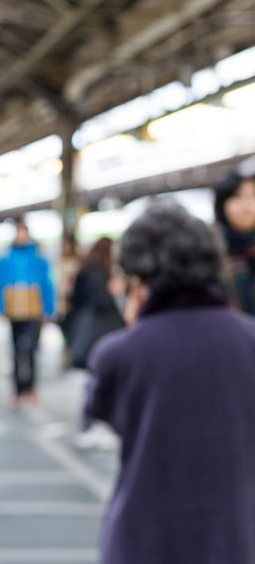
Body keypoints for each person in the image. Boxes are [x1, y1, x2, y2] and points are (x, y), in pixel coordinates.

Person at [85, 204, 255, 564]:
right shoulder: (249, 340)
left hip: (145, 539)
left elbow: (102, 410)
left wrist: (136, 327)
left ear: (138, 275)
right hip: (237, 537)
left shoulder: (118, 353)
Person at [0, 218, 55, 406]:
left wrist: (49, 309)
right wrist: (0, 308)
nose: (22, 236)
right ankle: (17, 389)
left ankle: (30, 387)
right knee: (17, 350)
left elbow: (47, 284)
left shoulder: (39, 259)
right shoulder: (6, 259)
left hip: (34, 312)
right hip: (15, 313)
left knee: (32, 349)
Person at [63, 238, 124, 370]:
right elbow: (101, 301)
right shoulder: (98, 273)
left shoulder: (86, 268)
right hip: (99, 327)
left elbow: (75, 298)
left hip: (84, 322)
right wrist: (114, 290)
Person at [214, 169, 255, 314]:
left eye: (252, 196)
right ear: (222, 203)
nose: (247, 205)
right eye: (237, 196)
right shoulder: (212, 250)